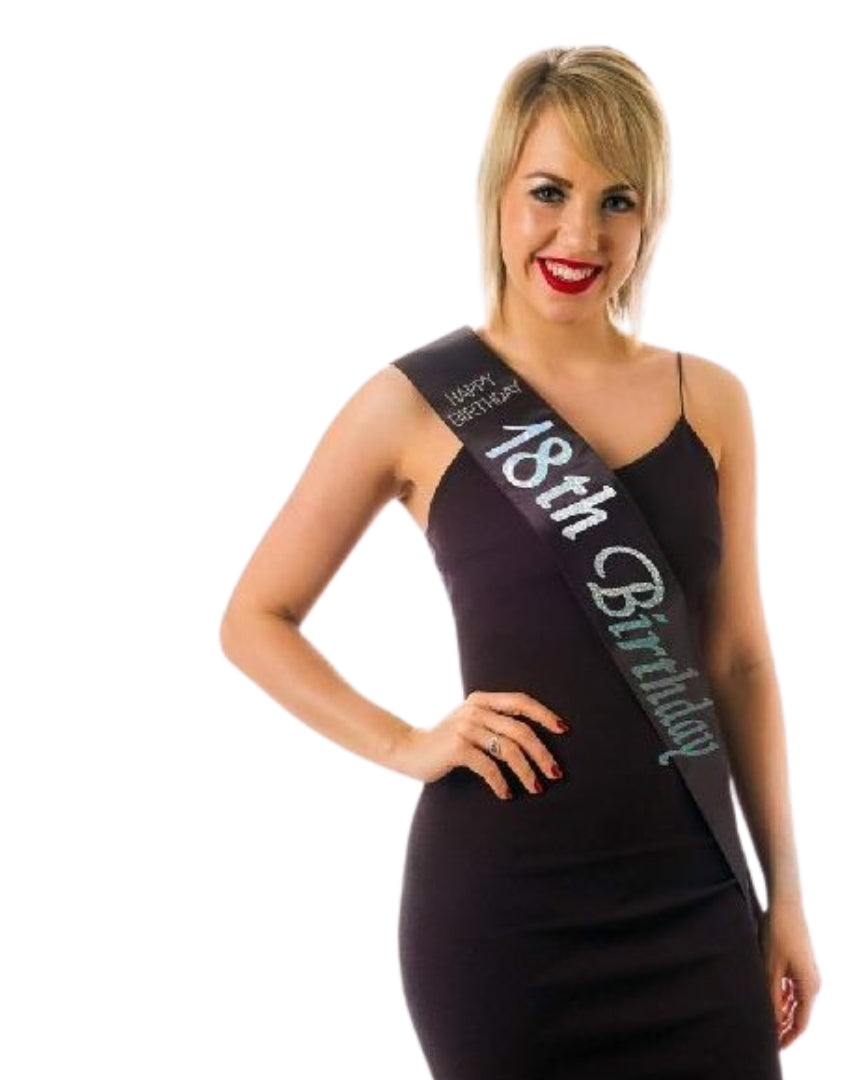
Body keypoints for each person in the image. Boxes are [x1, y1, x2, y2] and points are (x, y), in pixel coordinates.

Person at [220, 44, 820, 1080]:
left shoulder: (711, 401)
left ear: (651, 216)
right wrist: (406, 742)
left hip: (697, 899)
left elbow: (738, 663)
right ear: (498, 191)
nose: (580, 236)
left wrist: (788, 901)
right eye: (549, 192)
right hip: (504, 921)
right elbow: (253, 618)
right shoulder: (414, 403)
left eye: (617, 201)